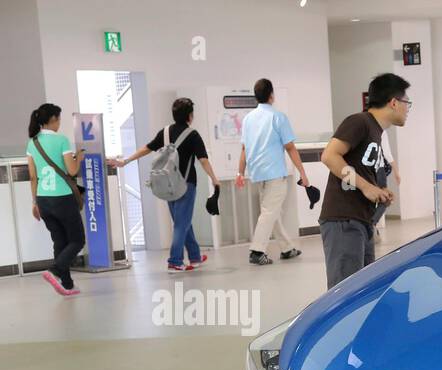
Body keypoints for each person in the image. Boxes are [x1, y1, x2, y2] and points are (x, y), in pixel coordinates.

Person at [108, 98, 220, 272]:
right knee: (182, 223)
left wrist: (126, 161)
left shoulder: (165, 132)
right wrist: (214, 178)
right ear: (190, 116)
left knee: (183, 221)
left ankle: (195, 257)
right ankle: (175, 260)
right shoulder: (193, 135)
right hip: (186, 184)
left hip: (167, 184)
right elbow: (203, 160)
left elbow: (147, 148)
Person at [319, 73, 408, 288]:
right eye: (406, 102)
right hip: (344, 220)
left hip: (362, 221)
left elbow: (360, 170)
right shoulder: (359, 122)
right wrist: (366, 187)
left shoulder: (376, 132)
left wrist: (379, 191)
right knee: (344, 294)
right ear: (394, 102)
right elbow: (329, 156)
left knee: (361, 292)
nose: (407, 108)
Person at [235, 78, 309, 266]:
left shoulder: (248, 119)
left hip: (257, 173)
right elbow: (290, 147)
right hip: (275, 173)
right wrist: (303, 172)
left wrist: (240, 173)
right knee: (269, 212)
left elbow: (244, 149)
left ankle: (287, 248)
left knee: (272, 211)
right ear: (271, 95)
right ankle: (257, 251)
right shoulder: (278, 117)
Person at [26, 103, 85, 296]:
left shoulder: (32, 142)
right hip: (62, 198)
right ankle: (54, 270)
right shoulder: (62, 140)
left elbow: (33, 177)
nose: (60, 123)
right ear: (52, 120)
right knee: (77, 240)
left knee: (59, 241)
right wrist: (80, 158)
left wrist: (35, 203)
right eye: (59, 119)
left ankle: (67, 284)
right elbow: (72, 170)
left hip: (43, 199)